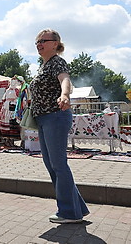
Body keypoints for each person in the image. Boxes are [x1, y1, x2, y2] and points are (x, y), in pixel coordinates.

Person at [30, 28, 89, 224]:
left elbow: (65, 80)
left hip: (55, 116)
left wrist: (65, 95)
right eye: (37, 42)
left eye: (43, 41)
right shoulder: (43, 66)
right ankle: (75, 208)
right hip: (45, 119)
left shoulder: (57, 62)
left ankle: (69, 212)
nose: (39, 44)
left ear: (55, 43)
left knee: (58, 165)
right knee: (52, 164)